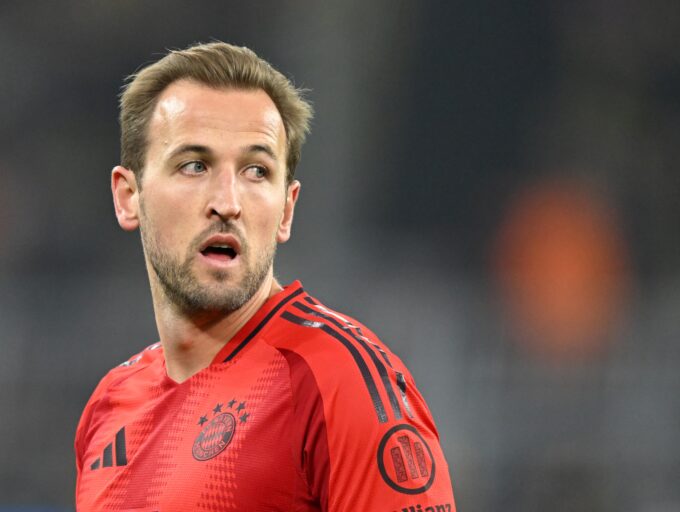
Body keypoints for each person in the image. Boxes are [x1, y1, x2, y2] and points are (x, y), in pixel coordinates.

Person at [74, 42, 456, 511]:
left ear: (286, 210)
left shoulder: (336, 380)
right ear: (128, 196)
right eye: (194, 165)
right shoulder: (110, 407)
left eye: (257, 171)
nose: (227, 201)